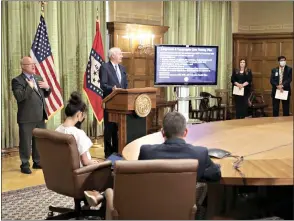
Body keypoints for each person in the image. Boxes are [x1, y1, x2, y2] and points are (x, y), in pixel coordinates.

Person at [139, 111, 221, 182]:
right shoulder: (201, 154)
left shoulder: (146, 152)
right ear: (185, 132)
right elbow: (215, 175)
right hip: (187, 200)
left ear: (162, 132)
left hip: (153, 199)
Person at [12, 56, 51, 174]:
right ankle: (24, 164)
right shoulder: (17, 80)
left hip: (40, 116)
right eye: (30, 64)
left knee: (38, 141)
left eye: (33, 63)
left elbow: (45, 95)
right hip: (26, 117)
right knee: (25, 142)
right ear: (23, 66)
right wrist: (29, 87)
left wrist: (48, 88)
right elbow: (19, 97)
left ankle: (37, 162)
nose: (33, 65)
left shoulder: (38, 77)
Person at [55, 91, 100, 167]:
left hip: (62, 169)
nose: (84, 117)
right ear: (79, 114)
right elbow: (85, 162)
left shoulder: (57, 130)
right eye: (83, 115)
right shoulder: (79, 133)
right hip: (80, 172)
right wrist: (95, 163)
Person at [99, 47, 128, 158]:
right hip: (110, 103)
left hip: (121, 104)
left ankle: (117, 151)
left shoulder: (122, 68)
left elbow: (125, 85)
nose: (122, 56)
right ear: (112, 56)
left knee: (118, 129)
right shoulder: (105, 67)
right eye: (119, 54)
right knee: (109, 129)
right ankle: (108, 153)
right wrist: (112, 89)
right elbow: (103, 85)